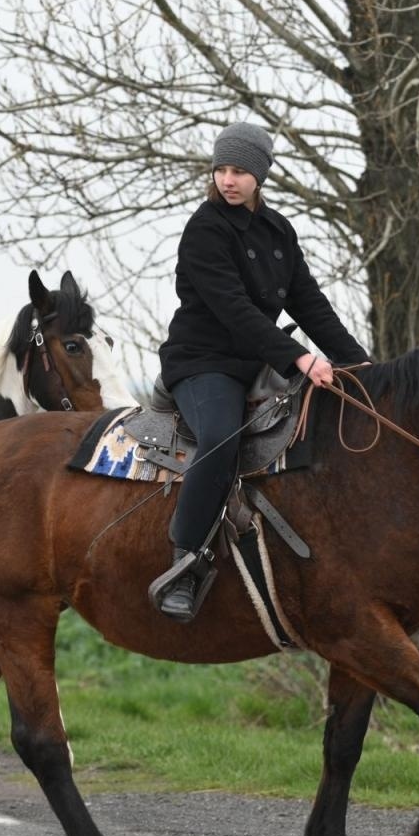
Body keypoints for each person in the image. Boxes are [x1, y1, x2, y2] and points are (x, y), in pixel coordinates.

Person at [150, 123, 371, 622]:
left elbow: (311, 305)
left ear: (260, 175)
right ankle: (184, 564)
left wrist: (362, 366)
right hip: (204, 363)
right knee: (222, 438)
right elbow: (234, 310)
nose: (228, 180)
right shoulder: (205, 229)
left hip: (258, 363)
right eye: (222, 169)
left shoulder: (278, 232)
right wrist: (298, 357)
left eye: (240, 171)